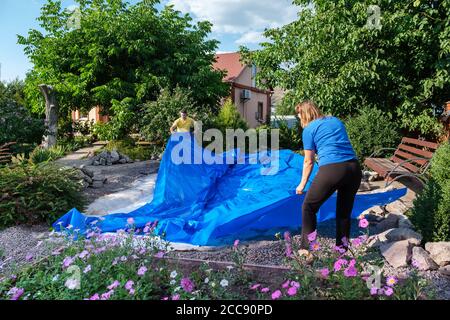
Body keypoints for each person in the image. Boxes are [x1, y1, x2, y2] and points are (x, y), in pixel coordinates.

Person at [295, 100, 362, 250]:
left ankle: (306, 250)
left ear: (304, 114)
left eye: (299, 115)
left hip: (333, 170)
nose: (299, 118)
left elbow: (308, 161)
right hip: (354, 168)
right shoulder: (335, 120)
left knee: (308, 207)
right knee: (344, 213)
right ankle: (342, 252)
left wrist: (302, 184)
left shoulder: (308, 130)